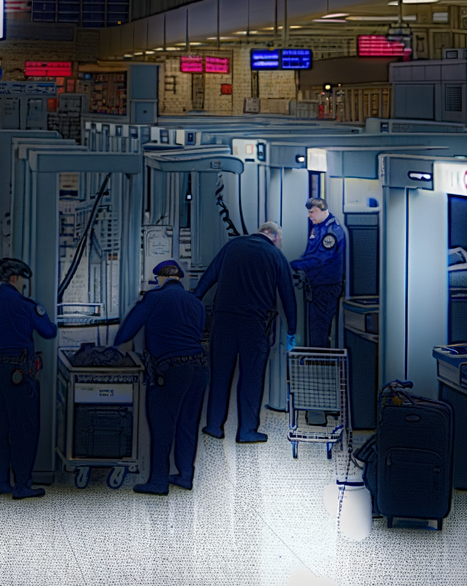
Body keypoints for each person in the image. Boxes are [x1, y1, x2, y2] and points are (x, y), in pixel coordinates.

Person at [193, 222, 296, 443]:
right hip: (254, 324)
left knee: (219, 375)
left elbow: (209, 277)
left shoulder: (231, 246)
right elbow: (288, 295)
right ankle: (247, 431)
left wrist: (192, 303)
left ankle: (213, 426)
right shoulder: (276, 256)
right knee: (251, 377)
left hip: (223, 322)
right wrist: (292, 330)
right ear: (275, 238)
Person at [112, 259, 207, 496]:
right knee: (188, 424)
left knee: (162, 425)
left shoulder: (153, 298)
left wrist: (115, 347)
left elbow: (126, 332)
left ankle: (158, 482)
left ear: (160, 278)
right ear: (179, 278)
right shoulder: (196, 303)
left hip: (170, 370)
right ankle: (185, 475)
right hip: (199, 368)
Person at [0, 257, 57, 499]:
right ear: (15, 278)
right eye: (22, 280)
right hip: (17, 374)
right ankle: (22, 486)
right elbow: (49, 331)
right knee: (23, 429)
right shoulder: (25, 305)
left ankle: (0, 482)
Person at [291, 197, 346, 349]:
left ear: (323, 211)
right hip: (317, 284)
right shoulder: (318, 227)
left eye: (312, 212)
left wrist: (294, 265)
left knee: (320, 325)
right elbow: (309, 253)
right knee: (314, 324)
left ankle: (320, 364)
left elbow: (320, 259)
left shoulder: (332, 231)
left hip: (326, 285)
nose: (309, 216)